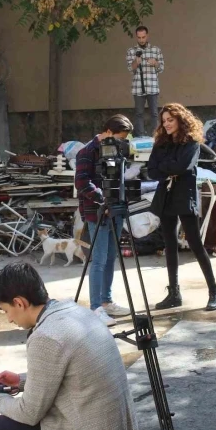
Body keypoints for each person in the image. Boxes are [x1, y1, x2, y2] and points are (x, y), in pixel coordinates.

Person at [0, 262, 139, 430]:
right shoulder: (80, 312)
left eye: (6, 311)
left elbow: (29, 413)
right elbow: (72, 375)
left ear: (19, 303)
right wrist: (20, 381)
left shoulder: (46, 337)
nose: (9, 319)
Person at [147, 103, 216, 311]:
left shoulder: (192, 143)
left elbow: (182, 166)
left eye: (170, 120)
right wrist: (169, 168)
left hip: (184, 195)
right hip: (166, 195)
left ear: (181, 120)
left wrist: (165, 167)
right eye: (164, 121)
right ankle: (174, 293)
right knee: (169, 245)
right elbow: (151, 170)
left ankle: (214, 291)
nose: (166, 124)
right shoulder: (161, 143)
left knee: (195, 244)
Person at [75, 115, 134, 326]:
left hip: (115, 211)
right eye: (119, 137)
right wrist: (102, 199)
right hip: (97, 212)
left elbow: (118, 178)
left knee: (110, 258)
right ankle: (95, 307)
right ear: (108, 131)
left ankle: (106, 301)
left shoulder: (117, 150)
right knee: (99, 260)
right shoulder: (87, 152)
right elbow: (81, 182)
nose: (121, 142)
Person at [126, 25, 164, 136]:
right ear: (136, 37)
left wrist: (155, 63)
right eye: (139, 37)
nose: (141, 40)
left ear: (147, 36)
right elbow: (130, 69)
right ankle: (141, 136)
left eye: (143, 37)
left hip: (152, 86)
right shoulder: (131, 51)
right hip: (138, 87)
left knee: (154, 113)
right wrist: (136, 62)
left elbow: (161, 68)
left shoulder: (156, 50)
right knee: (139, 114)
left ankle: (155, 136)